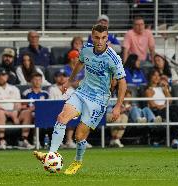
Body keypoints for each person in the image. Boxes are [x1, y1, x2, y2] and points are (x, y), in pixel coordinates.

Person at [34, 24, 127, 175]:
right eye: (97, 37)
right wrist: (70, 81)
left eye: (103, 38)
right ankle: (51, 154)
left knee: (79, 136)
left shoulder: (113, 59)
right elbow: (80, 63)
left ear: (107, 38)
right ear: (92, 36)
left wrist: (117, 106)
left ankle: (77, 161)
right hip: (82, 92)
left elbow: (122, 82)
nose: (100, 41)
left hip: (98, 100)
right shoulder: (86, 49)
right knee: (62, 117)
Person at [0, 67, 21, 150]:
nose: (1, 77)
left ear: (7, 76)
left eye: (3, 75)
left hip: (14, 112)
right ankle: (2, 140)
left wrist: (15, 113)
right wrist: (8, 113)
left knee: (27, 113)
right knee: (0, 113)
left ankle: (24, 139)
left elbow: (18, 103)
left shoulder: (14, 88)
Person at [145, 69, 178, 140]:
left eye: (158, 76)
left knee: (174, 113)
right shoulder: (149, 90)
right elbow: (152, 105)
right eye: (154, 75)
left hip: (167, 109)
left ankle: (176, 137)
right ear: (150, 77)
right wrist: (163, 106)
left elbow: (170, 101)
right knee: (174, 108)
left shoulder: (162, 89)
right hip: (158, 112)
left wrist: (166, 90)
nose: (157, 77)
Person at [19, 73, 49, 149]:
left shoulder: (45, 94)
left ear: (42, 81)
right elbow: (22, 106)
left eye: (39, 80)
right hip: (28, 113)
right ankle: (24, 140)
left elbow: (49, 106)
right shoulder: (26, 93)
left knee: (40, 114)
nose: (37, 82)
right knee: (28, 113)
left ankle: (38, 139)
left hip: (42, 113)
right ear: (31, 81)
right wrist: (31, 108)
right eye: (35, 80)